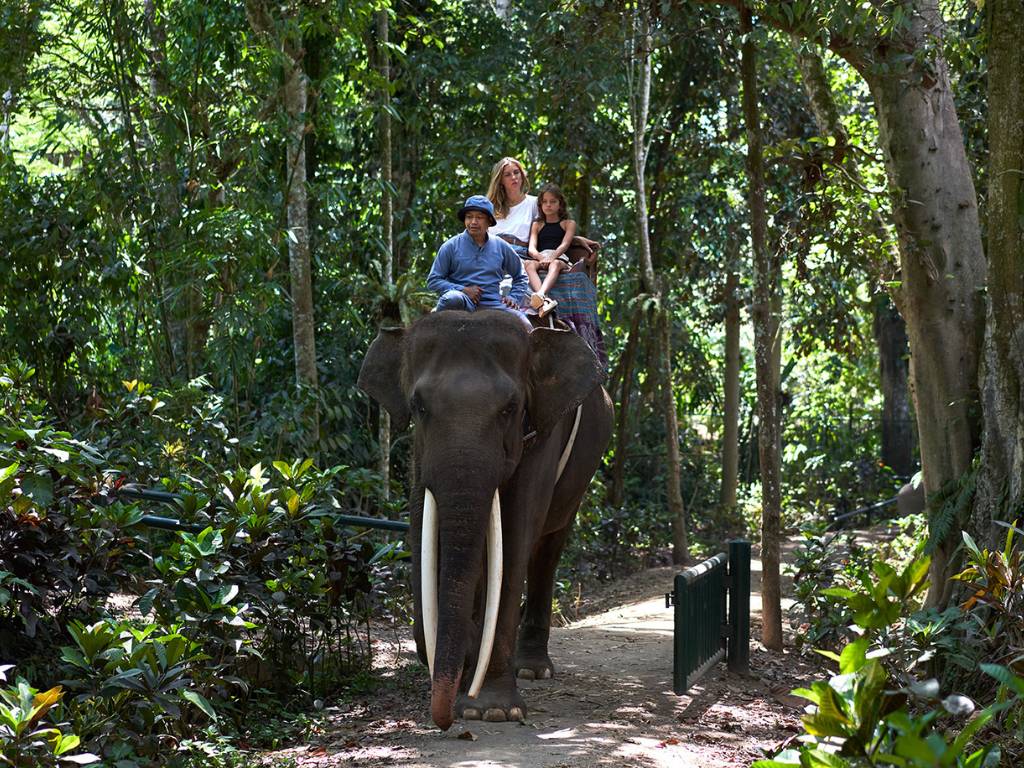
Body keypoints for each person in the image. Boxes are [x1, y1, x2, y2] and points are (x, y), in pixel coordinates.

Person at [427, 194, 530, 322]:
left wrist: (514, 297)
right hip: (463, 302)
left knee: (524, 324)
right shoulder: (450, 246)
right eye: (469, 217)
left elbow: (521, 276)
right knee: (452, 298)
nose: (473, 222)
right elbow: (433, 280)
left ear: (489, 222)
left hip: (494, 304)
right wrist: (463, 290)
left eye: (479, 217)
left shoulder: (501, 245)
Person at [486, 157, 599, 261]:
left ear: (522, 175)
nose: (514, 177)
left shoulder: (534, 203)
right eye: (507, 175)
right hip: (492, 253)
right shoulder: (491, 207)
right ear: (500, 180)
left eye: (516, 172)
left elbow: (550, 229)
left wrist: (574, 239)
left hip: (519, 255)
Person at [525, 184, 576, 316]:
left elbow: (564, 245)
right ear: (540, 205)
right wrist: (542, 258)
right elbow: (531, 249)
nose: (548, 205)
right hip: (540, 257)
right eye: (545, 202)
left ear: (560, 204)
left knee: (556, 264)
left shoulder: (568, 223)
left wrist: (552, 257)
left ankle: (540, 294)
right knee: (528, 264)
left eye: (553, 202)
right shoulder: (537, 224)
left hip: (559, 257)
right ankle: (544, 301)